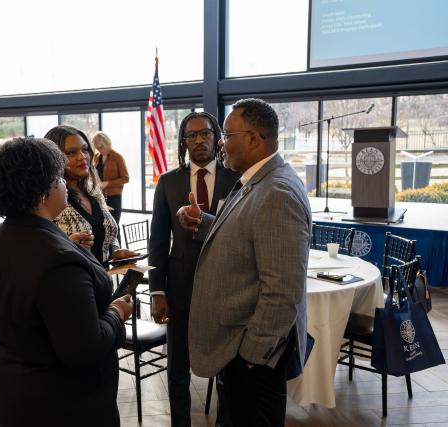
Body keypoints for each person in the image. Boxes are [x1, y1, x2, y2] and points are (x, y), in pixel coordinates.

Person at [0, 137, 133, 427]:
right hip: (60, 403)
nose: (64, 184)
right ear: (42, 190)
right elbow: (84, 348)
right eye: (59, 177)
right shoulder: (58, 261)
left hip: (7, 386)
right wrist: (117, 313)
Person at [177, 99, 311, 426]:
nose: (220, 144)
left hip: (252, 355)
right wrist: (204, 221)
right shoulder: (257, 180)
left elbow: (283, 291)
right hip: (236, 348)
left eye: (226, 135)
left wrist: (253, 354)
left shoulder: (277, 192)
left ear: (253, 138)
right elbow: (249, 232)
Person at [149, 112, 240, 427]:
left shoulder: (236, 179)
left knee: (228, 367)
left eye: (206, 133)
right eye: (192, 135)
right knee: (177, 368)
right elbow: (158, 240)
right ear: (183, 141)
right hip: (180, 287)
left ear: (217, 137)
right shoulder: (169, 181)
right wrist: (157, 291)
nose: (199, 140)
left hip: (228, 288)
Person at [45, 125, 136, 266]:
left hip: (101, 283)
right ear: (54, 157)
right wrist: (68, 245)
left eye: (85, 149)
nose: (82, 157)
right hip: (71, 283)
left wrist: (114, 252)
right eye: (71, 153)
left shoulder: (94, 193)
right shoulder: (48, 201)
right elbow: (38, 251)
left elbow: (106, 232)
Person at [91, 131, 129, 226]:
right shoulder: (96, 157)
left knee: (114, 225)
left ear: (107, 143)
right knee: (102, 226)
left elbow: (125, 178)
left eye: (101, 147)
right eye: (97, 148)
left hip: (114, 197)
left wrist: (108, 183)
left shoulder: (117, 157)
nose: (99, 150)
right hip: (99, 196)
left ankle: (117, 241)